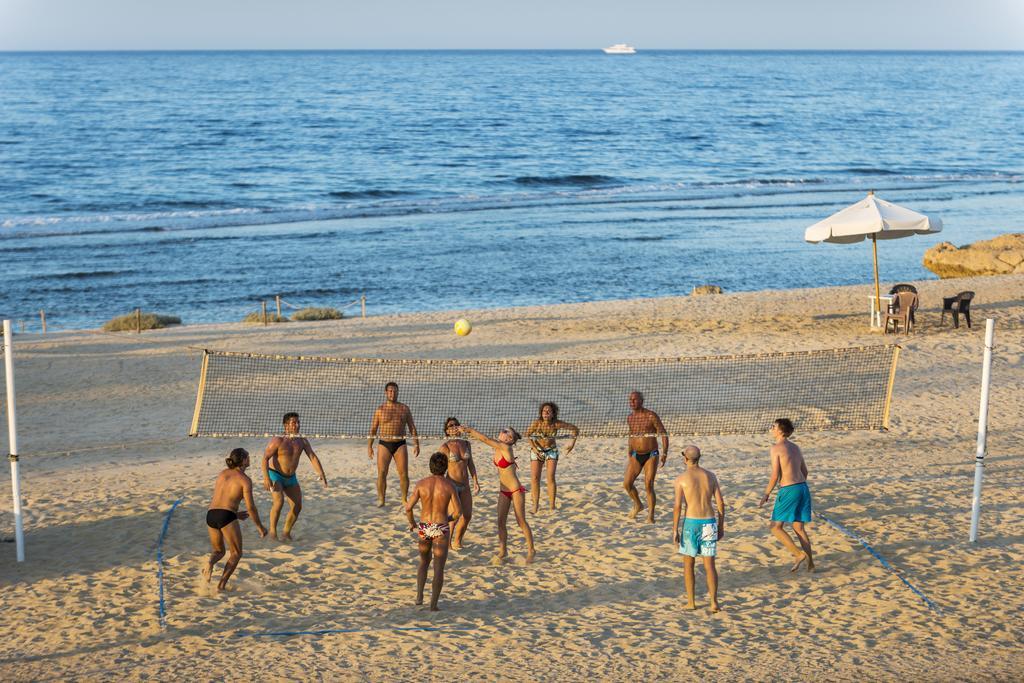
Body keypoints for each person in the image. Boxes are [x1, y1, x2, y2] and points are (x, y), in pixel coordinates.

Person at [458, 424, 536, 564]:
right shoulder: (498, 447)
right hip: (504, 490)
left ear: (510, 439)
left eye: (506, 431)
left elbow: (485, 439)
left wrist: (469, 430)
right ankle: (503, 550)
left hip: (515, 490)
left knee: (520, 521)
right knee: (500, 521)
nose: (502, 431)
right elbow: (487, 441)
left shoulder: (506, 448)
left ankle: (531, 551)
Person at [405, 452, 463, 611]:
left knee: (423, 562)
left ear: (430, 466)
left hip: (425, 526)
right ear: (446, 467)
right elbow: (459, 512)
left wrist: (412, 523)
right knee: (438, 567)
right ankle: (433, 605)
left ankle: (419, 597)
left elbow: (408, 508)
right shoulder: (449, 486)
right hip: (440, 526)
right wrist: (448, 518)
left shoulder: (421, 484)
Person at [204, 448, 267, 591]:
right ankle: (221, 586)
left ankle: (209, 563)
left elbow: (222, 498)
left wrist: (235, 514)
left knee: (219, 551)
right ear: (244, 460)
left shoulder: (222, 474)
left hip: (211, 514)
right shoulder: (245, 480)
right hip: (226, 516)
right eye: (248, 457)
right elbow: (251, 508)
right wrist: (260, 527)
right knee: (236, 553)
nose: (250, 459)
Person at [672, 446, 725, 613]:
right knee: (710, 565)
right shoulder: (710, 476)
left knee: (689, 564)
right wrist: (721, 525)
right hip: (709, 522)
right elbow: (720, 504)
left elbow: (677, 507)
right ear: (699, 457)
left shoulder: (681, 479)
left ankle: (691, 602)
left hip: (691, 523)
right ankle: (714, 602)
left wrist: (675, 529)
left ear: (685, 459)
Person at [262, 412, 329, 541]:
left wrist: (321, 473)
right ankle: (272, 532)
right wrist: (266, 478)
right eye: (294, 423)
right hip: (275, 475)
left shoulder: (302, 441)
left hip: (291, 477)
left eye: (298, 422)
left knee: (297, 506)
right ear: (286, 426)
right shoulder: (278, 441)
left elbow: (312, 456)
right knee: (279, 502)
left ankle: (286, 532)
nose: (297, 425)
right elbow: (265, 458)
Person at [759, 418, 815, 572]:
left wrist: (766, 493)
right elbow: (805, 471)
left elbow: (775, 474)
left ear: (780, 431)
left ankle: (798, 554)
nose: (771, 428)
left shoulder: (776, 448)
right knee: (799, 528)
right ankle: (811, 565)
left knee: (775, 527)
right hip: (803, 487)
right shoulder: (795, 447)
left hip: (789, 489)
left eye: (773, 426)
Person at [367, 382, 421, 520]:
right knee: (382, 473)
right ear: (386, 392)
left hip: (400, 444)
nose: (393, 393)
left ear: (398, 392)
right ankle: (381, 499)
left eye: (395, 391)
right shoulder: (380, 409)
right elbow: (373, 429)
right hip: (384, 443)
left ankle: (404, 498)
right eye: (390, 391)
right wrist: (369, 446)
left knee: (403, 474)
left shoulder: (404, 408)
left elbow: (412, 427)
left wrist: (416, 443)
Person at [526, 402, 579, 513]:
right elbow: (528, 435)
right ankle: (535, 506)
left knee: (550, 477)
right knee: (535, 479)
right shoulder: (537, 423)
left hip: (551, 451)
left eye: (548, 411)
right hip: (537, 451)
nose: (546, 412)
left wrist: (572, 444)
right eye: (544, 411)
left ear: (553, 414)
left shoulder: (557, 424)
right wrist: (535, 449)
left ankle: (552, 506)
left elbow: (575, 429)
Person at [624, 391, 668, 522]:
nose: (632, 402)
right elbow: (631, 435)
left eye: (635, 400)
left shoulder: (651, 415)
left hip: (651, 454)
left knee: (648, 484)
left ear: (641, 401)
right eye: (630, 400)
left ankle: (651, 515)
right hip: (636, 454)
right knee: (627, 484)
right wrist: (630, 451)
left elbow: (664, 434)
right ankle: (638, 504)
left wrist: (665, 453)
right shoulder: (630, 418)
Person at [439, 417, 480, 550]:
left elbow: (471, 464)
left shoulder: (466, 444)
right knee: (455, 516)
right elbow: (438, 467)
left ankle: (458, 541)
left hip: (465, 485)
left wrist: (475, 481)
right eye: (451, 426)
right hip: (452, 485)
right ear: (447, 431)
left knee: (467, 516)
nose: (454, 427)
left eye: (456, 425)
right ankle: (448, 543)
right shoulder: (445, 447)